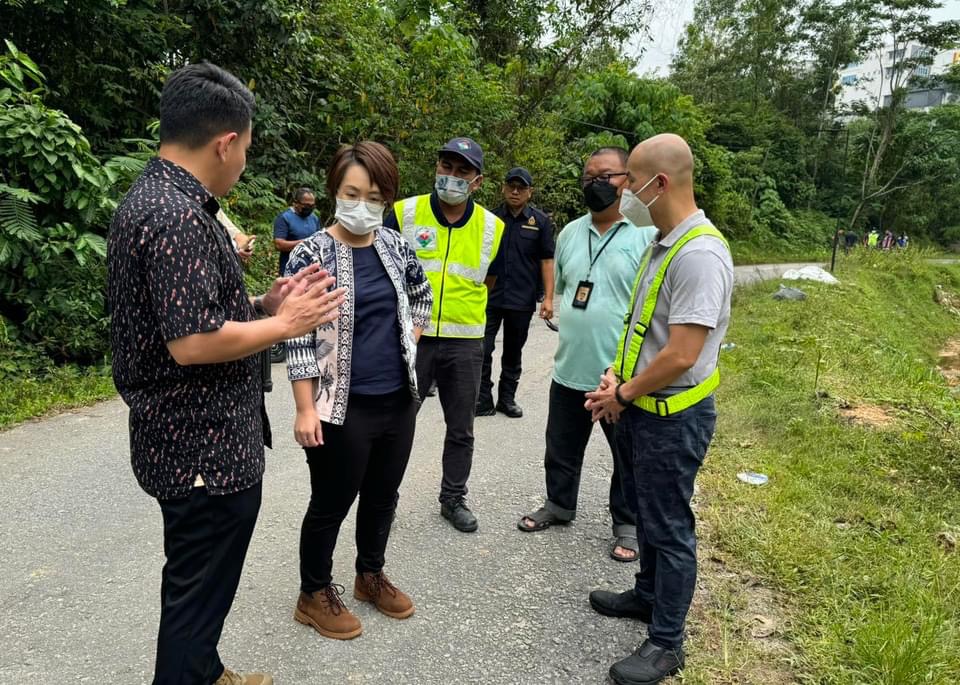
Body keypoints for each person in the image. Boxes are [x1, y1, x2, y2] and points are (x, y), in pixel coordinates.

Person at [107, 62, 345, 685]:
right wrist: (287, 325)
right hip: (202, 448)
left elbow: (192, 313)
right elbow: (191, 343)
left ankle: (205, 671)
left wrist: (265, 306)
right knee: (196, 593)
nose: (244, 161)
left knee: (199, 584)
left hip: (188, 439)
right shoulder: (180, 216)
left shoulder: (161, 199)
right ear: (226, 142)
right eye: (247, 147)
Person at [584, 134, 733, 685]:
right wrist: (617, 378)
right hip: (643, 407)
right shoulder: (663, 242)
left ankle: (667, 642)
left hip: (673, 417)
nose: (622, 194)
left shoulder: (698, 254)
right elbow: (645, 329)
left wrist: (622, 394)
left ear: (658, 184)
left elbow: (681, 353)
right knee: (648, 512)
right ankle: (647, 596)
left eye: (628, 183)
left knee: (669, 526)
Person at [284, 142, 433, 640]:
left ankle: (370, 575)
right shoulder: (311, 253)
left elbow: (421, 295)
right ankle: (314, 593)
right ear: (334, 190)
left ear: (387, 199)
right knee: (331, 500)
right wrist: (305, 408)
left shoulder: (394, 245)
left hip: (397, 400)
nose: (363, 204)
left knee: (383, 495)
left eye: (375, 196)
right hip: (338, 406)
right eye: (352, 193)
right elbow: (297, 333)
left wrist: (410, 340)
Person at [517, 147, 657, 563]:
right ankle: (559, 505)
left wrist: (627, 377)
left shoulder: (645, 237)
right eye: (588, 177)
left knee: (626, 455)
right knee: (560, 446)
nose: (595, 184)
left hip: (618, 377)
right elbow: (563, 289)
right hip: (569, 367)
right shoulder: (570, 233)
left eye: (606, 176)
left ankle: (628, 524)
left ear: (627, 180)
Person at [384, 136, 504, 533]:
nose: (451, 176)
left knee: (461, 427)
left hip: (465, 341)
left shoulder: (493, 227)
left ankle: (453, 499)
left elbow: (490, 279)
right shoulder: (404, 213)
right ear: (436, 167)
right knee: (397, 422)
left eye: (462, 171)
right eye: (446, 166)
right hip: (410, 337)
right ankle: (385, 496)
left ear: (477, 181)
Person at [477, 167, 556, 418]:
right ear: (503, 188)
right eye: (511, 186)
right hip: (490, 295)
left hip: (521, 298)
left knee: (513, 351)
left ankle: (507, 399)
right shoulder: (490, 219)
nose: (515, 191)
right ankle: (483, 399)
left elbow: (546, 261)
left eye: (520, 187)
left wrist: (550, 298)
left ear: (529, 192)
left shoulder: (540, 222)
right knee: (482, 348)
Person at [273, 187, 320, 275]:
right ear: (296, 203)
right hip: (290, 270)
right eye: (306, 205)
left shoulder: (314, 218)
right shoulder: (285, 218)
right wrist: (304, 243)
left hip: (311, 270)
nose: (309, 208)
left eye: (312, 206)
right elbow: (278, 244)